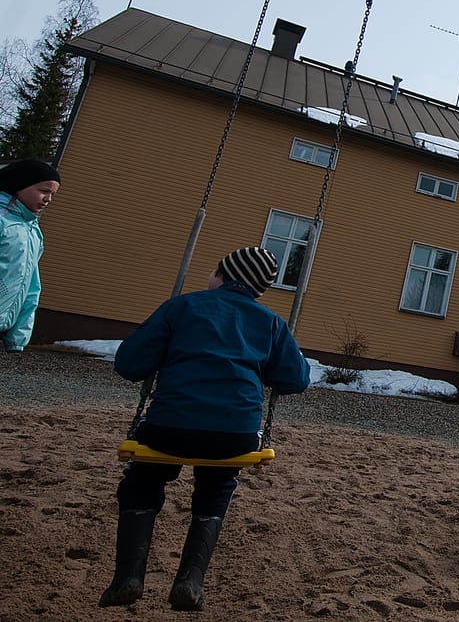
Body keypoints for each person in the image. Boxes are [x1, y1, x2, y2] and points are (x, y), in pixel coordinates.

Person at [99, 246, 311, 612]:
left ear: (225, 276)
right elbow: (295, 379)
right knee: (217, 486)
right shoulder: (271, 322)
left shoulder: (182, 307)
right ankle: (190, 581)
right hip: (234, 435)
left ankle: (128, 577)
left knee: (143, 481)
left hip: (170, 426)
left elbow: (129, 363)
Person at [0, 159, 60, 353]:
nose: (48, 199)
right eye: (44, 190)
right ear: (19, 184)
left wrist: (18, 336)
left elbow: (31, 286)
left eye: (52, 194)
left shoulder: (32, 231)